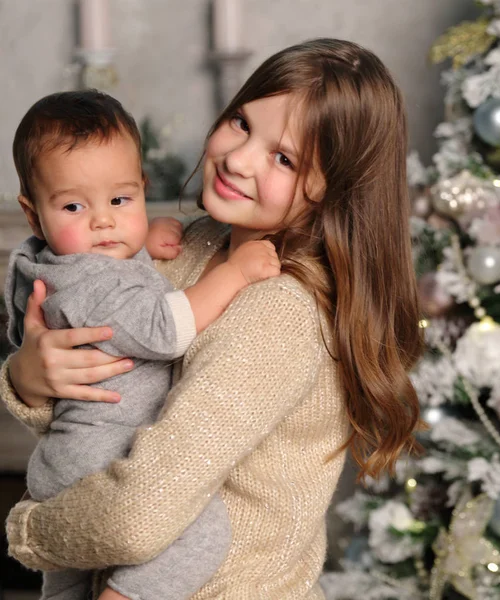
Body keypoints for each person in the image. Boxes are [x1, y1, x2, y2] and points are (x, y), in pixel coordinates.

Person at [3, 38, 424, 599]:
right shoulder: (199, 244)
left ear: (331, 189)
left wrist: (28, 532)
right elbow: (107, 411)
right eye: (242, 123)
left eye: (284, 158)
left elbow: (137, 517)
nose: (239, 158)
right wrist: (28, 380)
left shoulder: (280, 311)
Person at [4, 90, 280, 600]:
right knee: (200, 534)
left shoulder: (59, 265)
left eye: (119, 200)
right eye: (72, 205)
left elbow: (115, 292)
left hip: (66, 456)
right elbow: (160, 327)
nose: (103, 221)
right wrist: (234, 275)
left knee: (66, 583)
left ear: (141, 188)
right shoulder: (87, 282)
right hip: (101, 451)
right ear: (33, 213)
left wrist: (143, 247)